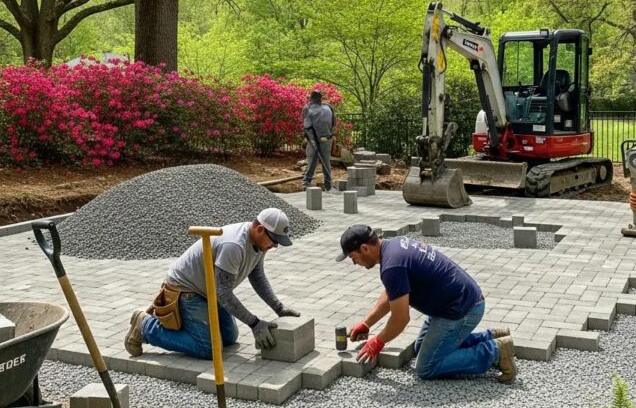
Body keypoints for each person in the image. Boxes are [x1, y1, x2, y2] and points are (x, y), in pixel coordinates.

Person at [336, 224, 516, 383]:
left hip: (462, 310)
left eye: (352, 257)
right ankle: (491, 336)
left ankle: (496, 351)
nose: (354, 262)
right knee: (420, 347)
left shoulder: (392, 266)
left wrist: (377, 342)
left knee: (426, 366)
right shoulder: (394, 246)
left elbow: (400, 319)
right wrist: (367, 323)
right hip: (457, 302)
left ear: (364, 248)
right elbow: (394, 292)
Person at [124, 208, 300, 360]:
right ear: (260, 229)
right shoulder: (234, 245)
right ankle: (145, 326)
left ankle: (192, 325)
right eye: (274, 241)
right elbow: (224, 294)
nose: (275, 246)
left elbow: (257, 276)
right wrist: (255, 324)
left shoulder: (259, 243)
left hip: (209, 290)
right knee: (208, 349)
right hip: (186, 290)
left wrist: (279, 308)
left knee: (229, 338)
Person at [302, 89, 336, 191]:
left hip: (315, 140)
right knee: (325, 162)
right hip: (325, 139)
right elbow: (333, 124)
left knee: (312, 162)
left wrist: (311, 139)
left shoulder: (307, 108)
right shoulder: (328, 107)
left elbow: (307, 126)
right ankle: (328, 185)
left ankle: (307, 182)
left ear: (311, 98)